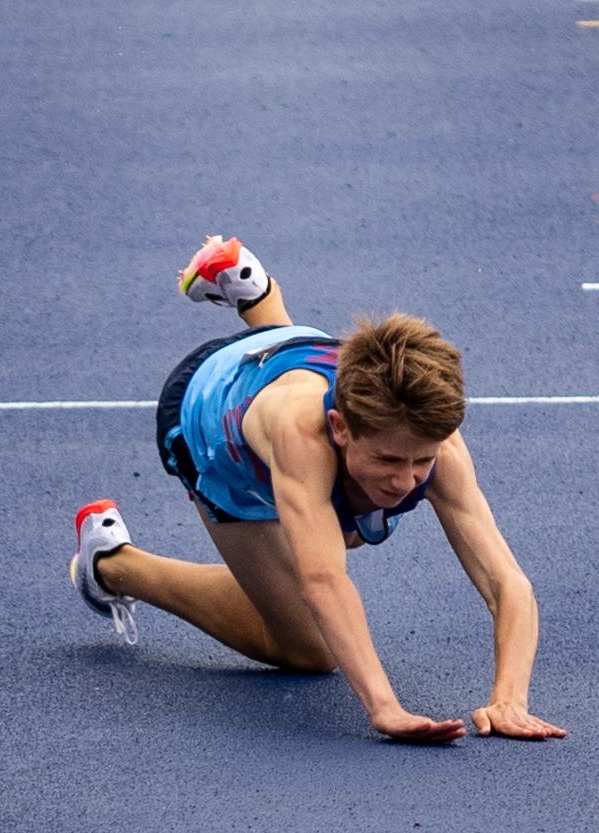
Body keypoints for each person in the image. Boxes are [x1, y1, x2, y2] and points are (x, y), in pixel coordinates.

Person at [70, 235, 566, 744]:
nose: (406, 479)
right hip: (210, 422)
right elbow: (324, 580)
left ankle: (256, 295)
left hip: (299, 354)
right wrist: (385, 707)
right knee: (309, 650)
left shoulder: (431, 437)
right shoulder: (302, 437)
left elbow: (509, 583)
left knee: (352, 509)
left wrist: (510, 698)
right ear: (342, 425)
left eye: (422, 460)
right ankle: (112, 562)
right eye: (389, 459)